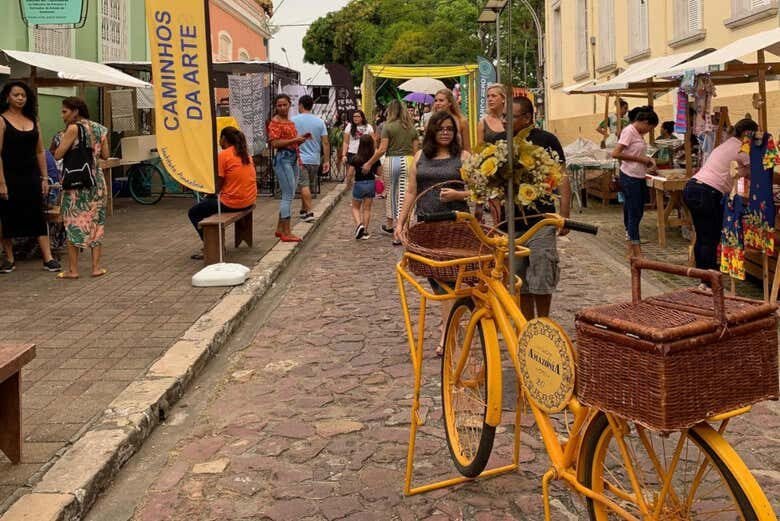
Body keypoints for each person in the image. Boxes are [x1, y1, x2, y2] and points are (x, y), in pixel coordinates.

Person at [396, 110, 471, 355]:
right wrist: (401, 221)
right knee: (438, 282)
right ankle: (452, 330)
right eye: (440, 129)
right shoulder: (419, 156)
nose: (446, 133)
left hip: (455, 228)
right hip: (427, 227)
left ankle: (448, 336)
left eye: (450, 129)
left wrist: (458, 195)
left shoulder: (463, 157)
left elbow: (480, 191)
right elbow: (411, 191)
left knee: (448, 283)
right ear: (431, 131)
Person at [508, 96, 572, 319]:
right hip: (510, 223)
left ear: (527, 118)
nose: (506, 121)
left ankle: (543, 323)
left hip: (541, 219)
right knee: (519, 281)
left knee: (542, 275)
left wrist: (564, 213)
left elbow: (562, 177)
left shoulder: (546, 140)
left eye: (511, 116)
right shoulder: (499, 142)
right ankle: (527, 327)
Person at [0, 81, 61, 273]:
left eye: (23, 95)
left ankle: (48, 257)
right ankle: (9, 259)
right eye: (16, 95)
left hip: (31, 175)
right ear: (7, 97)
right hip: (9, 175)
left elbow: (40, 151)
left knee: (37, 214)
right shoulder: (1, 120)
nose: (20, 98)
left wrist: (44, 178)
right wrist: (1, 182)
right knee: (7, 215)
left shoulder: (33, 120)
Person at [683, 118, 757, 271]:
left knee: (703, 236)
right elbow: (758, 173)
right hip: (707, 192)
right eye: (754, 135)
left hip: (694, 187)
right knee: (709, 238)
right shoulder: (742, 148)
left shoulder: (727, 144)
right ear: (747, 133)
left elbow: (744, 170)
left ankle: (704, 277)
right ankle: (707, 280)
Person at [53, 96, 109, 278]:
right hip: (97, 182)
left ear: (75, 111)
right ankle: (96, 268)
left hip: (77, 183)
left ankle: (73, 270)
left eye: (64, 111)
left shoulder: (73, 128)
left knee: (73, 222)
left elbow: (58, 155)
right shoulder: (99, 128)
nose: (62, 115)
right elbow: (106, 155)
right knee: (96, 222)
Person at [187, 127, 257, 258]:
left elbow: (218, 184)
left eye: (220, 138)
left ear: (223, 139)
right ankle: (214, 242)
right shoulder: (245, 154)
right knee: (207, 204)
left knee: (194, 212)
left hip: (233, 203)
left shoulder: (223, 155)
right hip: (249, 200)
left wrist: (208, 195)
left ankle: (213, 246)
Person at [362, 100, 419, 243]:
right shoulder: (412, 129)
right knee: (406, 195)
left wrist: (369, 162)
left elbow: (382, 149)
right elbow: (416, 151)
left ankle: (391, 226)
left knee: (391, 194)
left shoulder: (388, 127)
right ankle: (404, 227)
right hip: (409, 161)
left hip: (392, 161)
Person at [611, 108, 659, 259]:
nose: (649, 131)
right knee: (634, 212)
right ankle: (636, 248)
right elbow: (616, 153)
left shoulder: (637, 134)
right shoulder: (629, 131)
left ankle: (631, 246)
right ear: (645, 122)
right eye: (650, 128)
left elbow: (636, 152)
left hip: (638, 176)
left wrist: (649, 161)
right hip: (630, 176)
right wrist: (641, 160)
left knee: (635, 212)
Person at [268, 94, 306, 242]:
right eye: (279, 105)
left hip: (292, 158)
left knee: (288, 193)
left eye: (285, 105)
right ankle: (287, 232)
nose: (282, 108)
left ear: (290, 105)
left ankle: (280, 229)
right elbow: (275, 143)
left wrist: (299, 140)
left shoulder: (289, 122)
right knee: (288, 195)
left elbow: (289, 141)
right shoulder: (275, 122)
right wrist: (295, 140)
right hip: (283, 159)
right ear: (276, 107)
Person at [292, 95, 330, 223]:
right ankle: (303, 210)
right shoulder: (319, 122)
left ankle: (309, 212)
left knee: (304, 185)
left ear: (301, 105)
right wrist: (326, 160)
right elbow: (325, 143)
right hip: (315, 159)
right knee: (307, 186)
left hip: (300, 158)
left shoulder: (293, 120)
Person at [346, 134, 382, 240]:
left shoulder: (355, 158)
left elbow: (350, 173)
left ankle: (359, 224)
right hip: (370, 184)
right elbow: (380, 173)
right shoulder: (374, 159)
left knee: (355, 207)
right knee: (367, 209)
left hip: (359, 184)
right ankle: (365, 231)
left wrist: (348, 183)